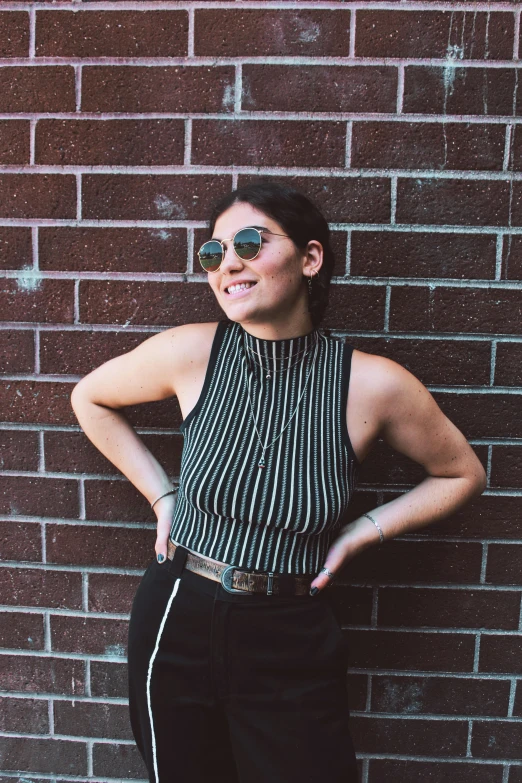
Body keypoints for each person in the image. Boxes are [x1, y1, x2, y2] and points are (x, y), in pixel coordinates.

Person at [70, 181, 487, 783]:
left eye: (248, 242)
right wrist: (163, 496)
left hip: (290, 627)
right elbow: (90, 399)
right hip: (178, 610)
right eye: (213, 253)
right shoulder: (192, 353)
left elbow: (461, 473)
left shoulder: (372, 384)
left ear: (310, 258)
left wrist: (363, 532)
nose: (228, 263)